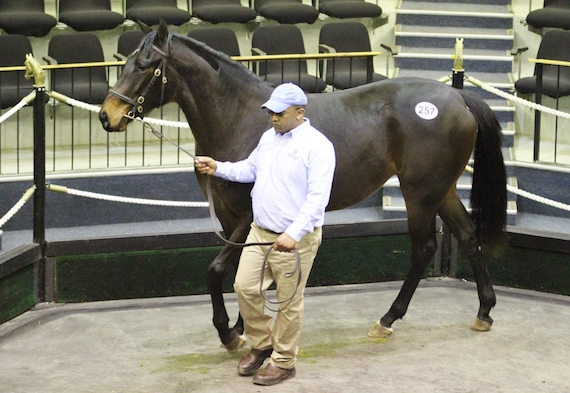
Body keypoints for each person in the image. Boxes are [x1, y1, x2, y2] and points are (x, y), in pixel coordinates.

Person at [194, 83, 336, 386]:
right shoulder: (268, 139)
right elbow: (249, 170)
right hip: (260, 233)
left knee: (288, 303)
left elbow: (317, 199)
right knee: (244, 287)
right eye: (270, 111)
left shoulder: (318, 146)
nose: (272, 117)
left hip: (293, 240)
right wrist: (217, 167)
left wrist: (294, 233)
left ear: (300, 113)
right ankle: (262, 344)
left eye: (279, 112)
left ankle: (284, 361)